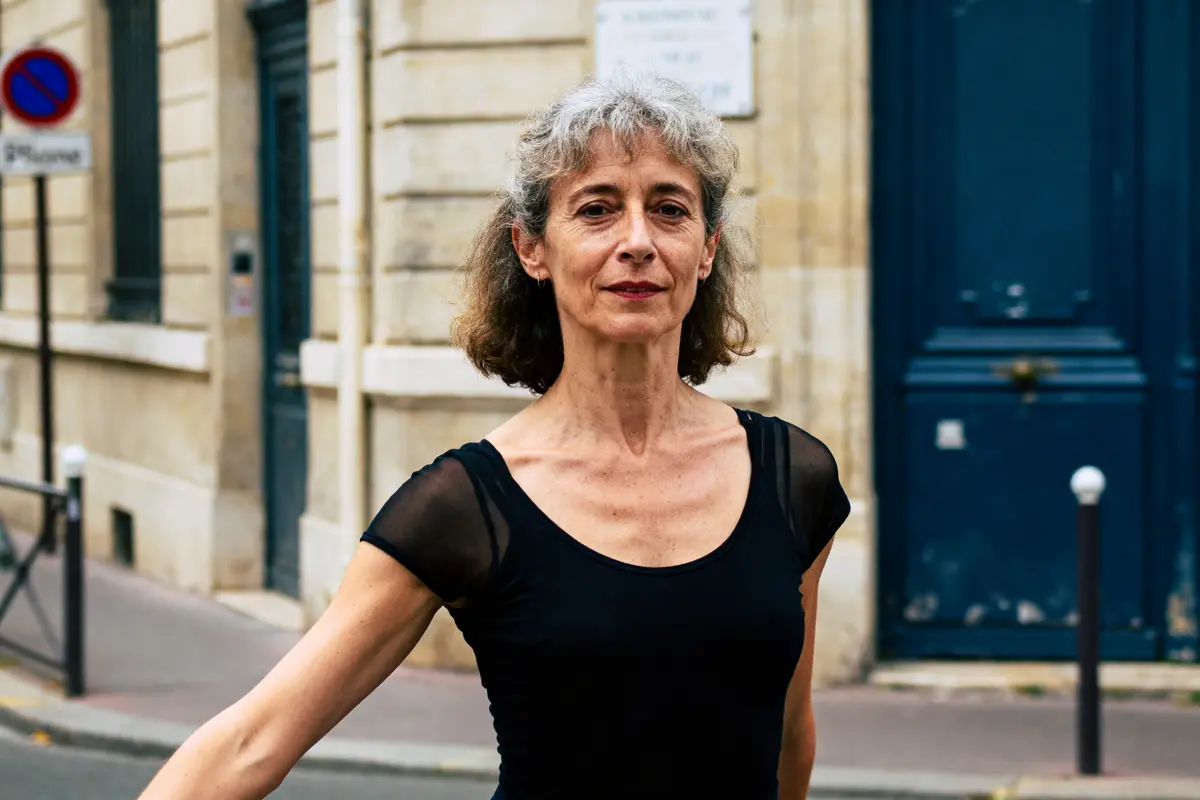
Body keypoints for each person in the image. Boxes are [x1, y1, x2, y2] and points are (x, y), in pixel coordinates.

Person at [138, 72, 850, 800]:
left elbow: (789, 735)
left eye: (669, 209)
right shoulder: (464, 508)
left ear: (706, 248)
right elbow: (254, 740)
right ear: (532, 248)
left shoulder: (793, 478)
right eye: (597, 210)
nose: (637, 241)